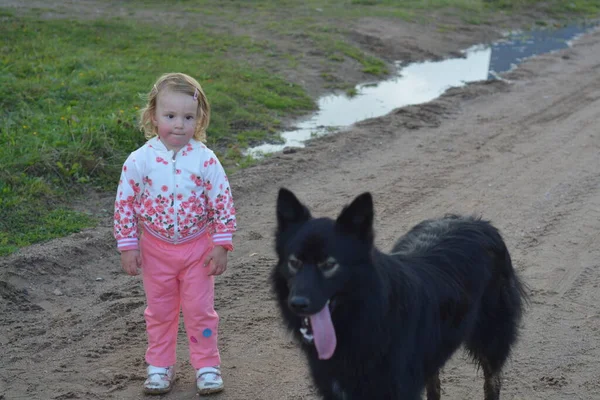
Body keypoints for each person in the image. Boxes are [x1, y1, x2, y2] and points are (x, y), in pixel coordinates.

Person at [113, 72, 236, 395]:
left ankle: (207, 365)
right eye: (170, 116)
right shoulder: (139, 161)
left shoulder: (205, 160)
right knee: (160, 312)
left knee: (200, 311)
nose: (179, 125)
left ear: (199, 119)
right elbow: (125, 203)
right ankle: (159, 366)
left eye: (187, 117)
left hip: (198, 250)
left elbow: (222, 201)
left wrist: (221, 243)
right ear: (153, 116)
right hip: (156, 251)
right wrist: (128, 245)